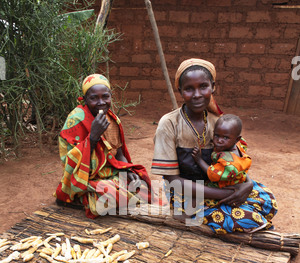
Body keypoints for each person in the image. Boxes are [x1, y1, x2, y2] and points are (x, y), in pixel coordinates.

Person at [151, 58, 277, 233]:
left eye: (203, 86)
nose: (197, 94)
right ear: (180, 91)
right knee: (246, 219)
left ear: (213, 87)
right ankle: (208, 214)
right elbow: (172, 180)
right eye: (189, 89)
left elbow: (234, 163)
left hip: (217, 184)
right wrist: (227, 195)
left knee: (268, 199)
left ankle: (228, 211)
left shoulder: (218, 123)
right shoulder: (169, 124)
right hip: (186, 193)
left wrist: (247, 184)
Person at [55, 73, 152, 218]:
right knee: (109, 195)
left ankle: (97, 196)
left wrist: (127, 173)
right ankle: (76, 197)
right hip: (84, 177)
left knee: (141, 184)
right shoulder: (75, 120)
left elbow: (119, 155)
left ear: (111, 97)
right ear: (85, 100)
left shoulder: (112, 120)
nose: (101, 102)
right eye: (94, 98)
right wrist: (93, 137)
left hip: (109, 173)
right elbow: (71, 164)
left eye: (105, 96)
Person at [192, 113, 252, 189]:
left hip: (225, 187)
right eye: (216, 135)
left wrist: (199, 160)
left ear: (237, 139)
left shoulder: (228, 162)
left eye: (225, 138)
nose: (219, 141)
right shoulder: (238, 145)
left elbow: (213, 174)